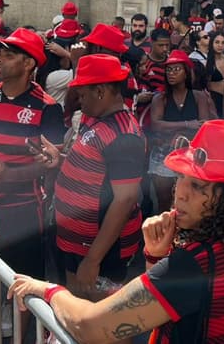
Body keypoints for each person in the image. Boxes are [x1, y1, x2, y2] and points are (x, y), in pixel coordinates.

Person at [7, 120, 224, 344]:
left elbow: (89, 326)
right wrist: (157, 258)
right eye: (180, 177)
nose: (179, 193)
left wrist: (48, 291)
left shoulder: (191, 266)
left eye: (198, 187)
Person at [0, 27, 65, 335]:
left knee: (22, 291)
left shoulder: (47, 107)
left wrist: (10, 176)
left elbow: (49, 163)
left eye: (8, 56)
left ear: (29, 64)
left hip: (24, 213)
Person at [45, 55, 145, 300]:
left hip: (98, 249)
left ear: (100, 91)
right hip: (78, 241)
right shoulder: (102, 123)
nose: (80, 103)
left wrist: (92, 260)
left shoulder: (124, 136)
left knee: (98, 320)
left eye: (82, 96)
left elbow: (125, 199)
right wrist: (60, 159)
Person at [148, 50, 211, 213]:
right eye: (169, 69)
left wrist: (181, 129)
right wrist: (187, 124)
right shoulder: (160, 98)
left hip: (189, 154)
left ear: (186, 73)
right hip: (163, 153)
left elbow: (202, 126)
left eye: (177, 69)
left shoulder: (199, 96)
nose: (172, 73)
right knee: (164, 201)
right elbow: (155, 124)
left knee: (188, 199)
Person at [205, 32, 224, 117]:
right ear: (212, 43)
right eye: (217, 42)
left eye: (223, 43)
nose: (220, 45)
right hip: (214, 98)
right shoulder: (207, 60)